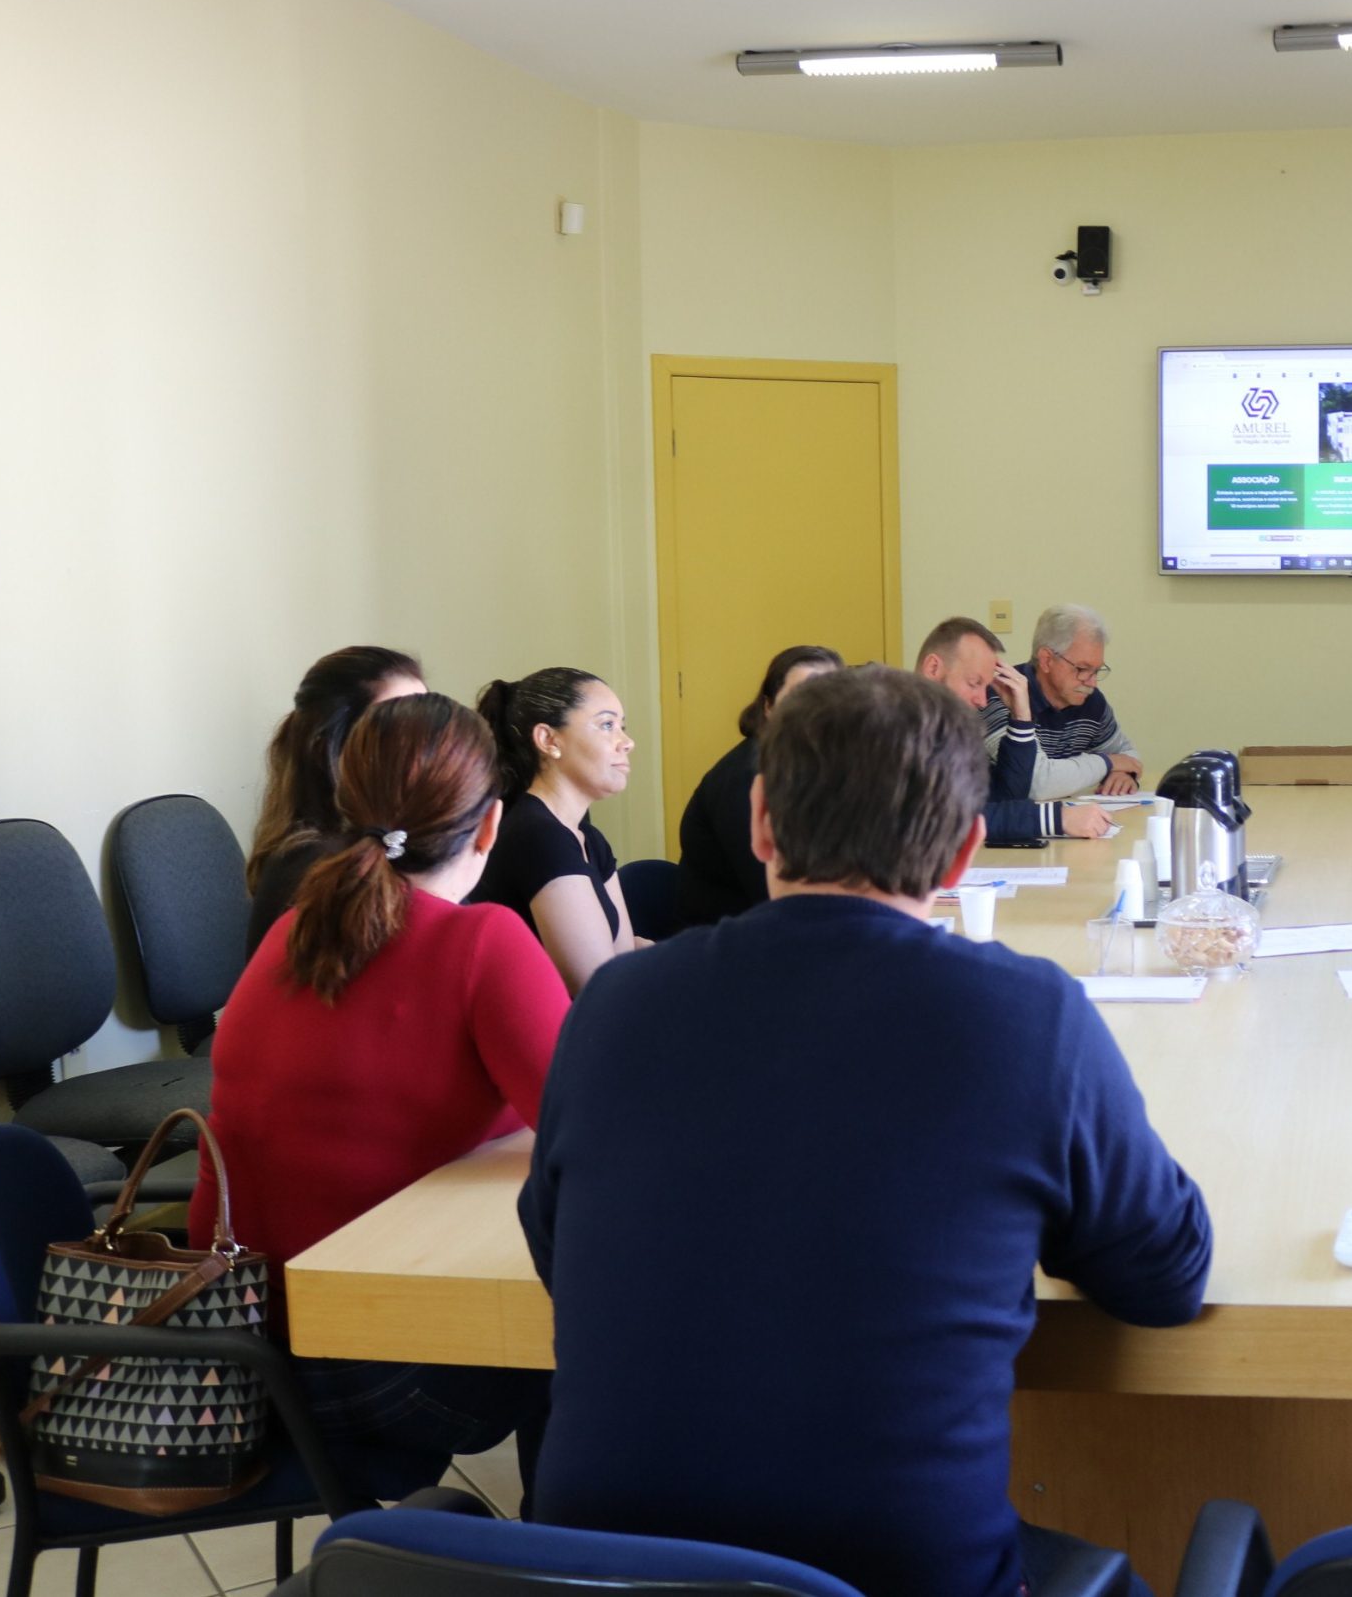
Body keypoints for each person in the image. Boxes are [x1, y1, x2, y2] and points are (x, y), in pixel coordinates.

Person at [520, 666, 1211, 1597]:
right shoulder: (1024, 1016)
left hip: (603, 1577)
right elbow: (1165, 1279)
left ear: (762, 820)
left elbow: (555, 1248)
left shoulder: (613, 1005)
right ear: (966, 852)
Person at [200, 694, 559, 1473]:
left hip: (248, 1355)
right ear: (491, 824)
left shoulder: (295, 931)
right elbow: (588, 1126)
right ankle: (556, 1549)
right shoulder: (481, 940)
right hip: (375, 1374)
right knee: (593, 1337)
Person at [471, 668, 645, 992]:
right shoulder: (537, 836)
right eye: (607, 725)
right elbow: (597, 990)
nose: (627, 742)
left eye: (622, 726)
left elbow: (619, 959)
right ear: (548, 740)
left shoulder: (589, 838)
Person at [244, 646, 426, 953]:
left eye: (427, 722)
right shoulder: (314, 868)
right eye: (396, 728)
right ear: (330, 749)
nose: (424, 745)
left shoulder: (389, 843)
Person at [676, 644, 841, 926]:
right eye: (804, 696)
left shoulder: (815, 768)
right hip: (732, 942)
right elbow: (775, 892)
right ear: (769, 707)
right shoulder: (746, 776)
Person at [918, 616, 1111, 843]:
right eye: (973, 683)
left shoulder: (947, 732)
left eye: (986, 686)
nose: (982, 701)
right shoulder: (891, 726)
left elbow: (1005, 798)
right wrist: (1057, 819)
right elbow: (943, 821)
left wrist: (1021, 718)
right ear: (933, 668)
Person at [982, 603, 1141, 798]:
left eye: (1097, 671)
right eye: (1082, 669)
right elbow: (1036, 783)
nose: (1092, 683)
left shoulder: (1089, 700)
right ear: (1047, 660)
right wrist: (1107, 763)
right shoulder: (1001, 694)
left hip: (1059, 821)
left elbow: (1128, 755)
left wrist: (1123, 773)